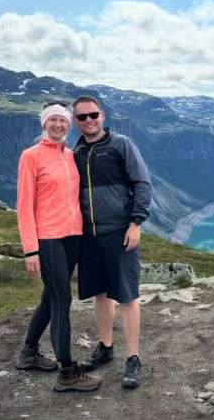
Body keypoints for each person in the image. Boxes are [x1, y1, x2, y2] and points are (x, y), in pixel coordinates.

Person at [14, 100, 102, 392]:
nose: (58, 125)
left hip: (73, 238)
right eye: (52, 120)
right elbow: (25, 206)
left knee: (49, 298)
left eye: (63, 120)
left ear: (69, 125)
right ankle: (67, 372)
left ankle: (28, 353)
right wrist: (30, 249)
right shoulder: (31, 156)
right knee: (61, 301)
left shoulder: (70, 156)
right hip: (49, 239)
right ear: (44, 124)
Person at [70, 95, 152, 388]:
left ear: (102, 116)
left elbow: (142, 183)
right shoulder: (75, 152)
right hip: (89, 236)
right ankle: (105, 347)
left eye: (93, 115)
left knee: (127, 295)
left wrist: (135, 223)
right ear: (75, 121)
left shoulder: (120, 145)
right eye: (82, 117)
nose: (89, 121)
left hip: (119, 233)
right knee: (101, 293)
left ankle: (133, 357)